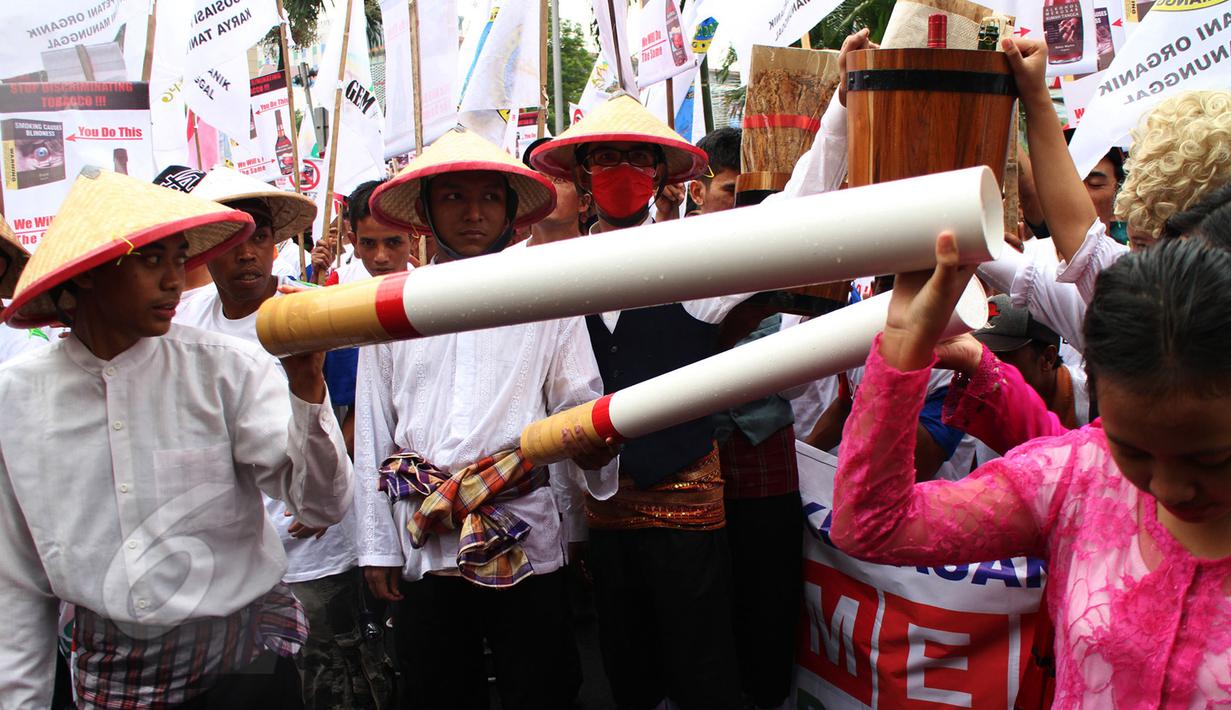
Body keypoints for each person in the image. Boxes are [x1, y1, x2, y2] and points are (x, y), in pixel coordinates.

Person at [0, 166, 352, 708]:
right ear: (89, 273)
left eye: (177, 258)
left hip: (243, 671)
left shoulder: (223, 371)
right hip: (106, 675)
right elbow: (18, 581)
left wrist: (308, 389)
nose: (173, 279)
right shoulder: (16, 398)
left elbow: (321, 504)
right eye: (151, 259)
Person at [355, 127, 619, 710]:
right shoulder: (392, 303)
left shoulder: (549, 296)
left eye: (489, 198)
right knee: (436, 689)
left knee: (542, 686)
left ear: (509, 211)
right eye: (453, 197)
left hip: (523, 528)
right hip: (424, 529)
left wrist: (577, 521)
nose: (473, 213)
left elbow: (577, 407)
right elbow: (373, 429)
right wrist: (377, 547)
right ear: (425, 210)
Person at [531, 94, 747, 709]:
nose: (621, 172)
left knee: (704, 673)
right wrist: (571, 525)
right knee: (627, 674)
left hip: (689, 516)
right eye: (605, 159)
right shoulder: (554, 277)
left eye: (636, 159)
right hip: (606, 522)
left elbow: (797, 213)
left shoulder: (695, 261)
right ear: (581, 177)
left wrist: (838, 111)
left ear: (659, 175)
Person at [171, 167, 383, 708]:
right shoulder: (186, 326)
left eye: (259, 236)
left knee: (334, 682)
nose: (247, 253)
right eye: (232, 238)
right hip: (231, 560)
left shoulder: (315, 312)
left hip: (314, 550)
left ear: (274, 243)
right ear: (207, 249)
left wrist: (320, 493)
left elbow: (360, 411)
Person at [522, 137, 592, 245]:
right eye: (540, 178)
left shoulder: (602, 255)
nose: (547, 186)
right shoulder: (505, 259)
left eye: (559, 180)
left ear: (583, 202)